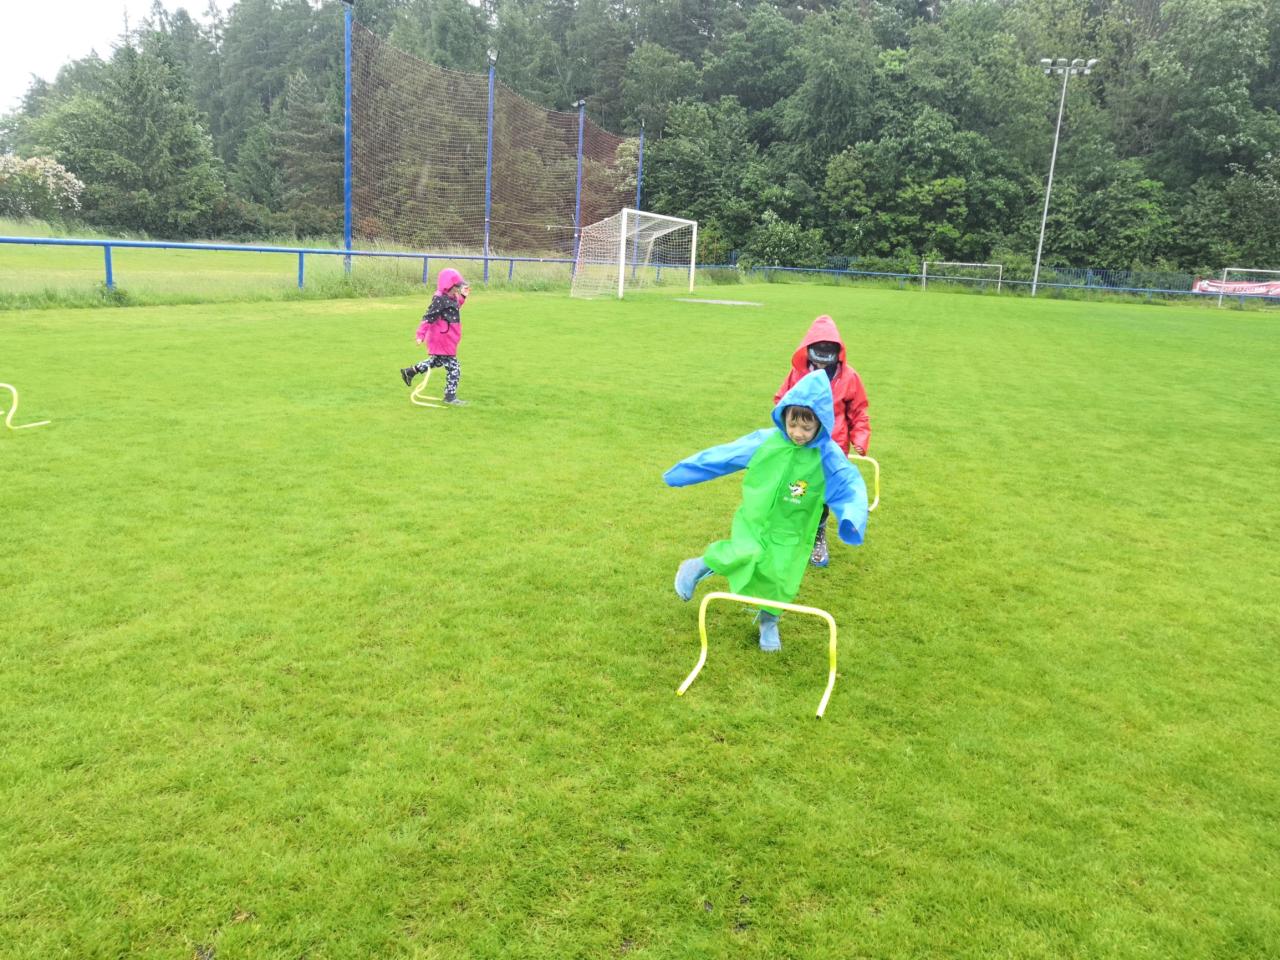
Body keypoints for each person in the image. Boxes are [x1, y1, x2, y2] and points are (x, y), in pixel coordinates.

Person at [664, 370, 869, 652]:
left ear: (820, 425)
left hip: (793, 530)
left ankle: (769, 622)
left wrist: (851, 518)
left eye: (806, 428)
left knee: (780, 578)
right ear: (784, 416)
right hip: (756, 520)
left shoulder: (827, 456)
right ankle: (697, 566)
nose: (797, 433)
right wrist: (684, 472)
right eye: (792, 424)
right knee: (744, 553)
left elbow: (849, 485)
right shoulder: (765, 441)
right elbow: (726, 455)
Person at [773, 315, 870, 567]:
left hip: (833, 447)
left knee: (823, 492)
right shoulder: (797, 374)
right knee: (796, 487)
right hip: (800, 444)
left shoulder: (849, 378)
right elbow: (782, 400)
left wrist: (860, 438)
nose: (821, 362)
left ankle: (817, 534)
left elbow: (859, 411)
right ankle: (791, 532)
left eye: (827, 356)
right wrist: (788, 429)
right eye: (818, 355)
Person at [400, 267, 470, 406]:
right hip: (442, 338)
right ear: (448, 285)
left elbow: (454, 307)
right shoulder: (439, 299)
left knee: (436, 361)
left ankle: (410, 371)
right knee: (454, 368)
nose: (458, 289)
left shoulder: (451, 297)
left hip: (449, 337)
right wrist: (420, 335)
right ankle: (450, 397)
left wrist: (463, 297)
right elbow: (428, 317)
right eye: (456, 287)